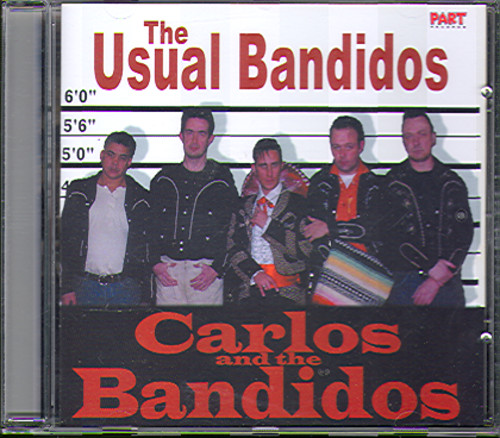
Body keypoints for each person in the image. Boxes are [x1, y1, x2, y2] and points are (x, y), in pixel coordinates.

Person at [382, 110, 473, 307]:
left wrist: (436, 281)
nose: (416, 142)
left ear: (433, 138)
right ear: (403, 141)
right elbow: (387, 236)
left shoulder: (452, 182)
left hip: (447, 283)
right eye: (409, 136)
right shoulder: (391, 183)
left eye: (422, 134)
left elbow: (464, 232)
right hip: (403, 284)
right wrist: (430, 267)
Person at [150, 108, 238, 306]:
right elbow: (149, 226)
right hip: (168, 274)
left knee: (208, 327)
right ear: (181, 136)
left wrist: (217, 268)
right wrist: (155, 263)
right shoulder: (164, 179)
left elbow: (233, 227)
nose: (194, 140)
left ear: (211, 138)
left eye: (201, 133)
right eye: (189, 132)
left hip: (205, 275)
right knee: (169, 325)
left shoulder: (221, 179)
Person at [60, 131, 150, 306]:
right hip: (85, 286)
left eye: (122, 158)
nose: (115, 163)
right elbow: (67, 241)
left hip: (126, 289)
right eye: (111, 155)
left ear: (129, 162)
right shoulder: (79, 192)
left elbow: (146, 248)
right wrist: (66, 287)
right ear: (102, 155)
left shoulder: (141, 198)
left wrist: (145, 295)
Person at [227, 138, 312, 306]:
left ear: (282, 166)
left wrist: (268, 226)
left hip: (289, 293)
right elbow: (232, 246)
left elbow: (306, 249)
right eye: (263, 166)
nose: (269, 172)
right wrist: (255, 273)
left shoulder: (299, 204)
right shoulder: (243, 206)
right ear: (254, 169)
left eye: (274, 165)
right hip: (248, 292)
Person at [304, 115, 384, 258]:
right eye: (337, 147)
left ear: (361, 146)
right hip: (327, 266)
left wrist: (330, 228)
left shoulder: (377, 185)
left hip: (370, 267)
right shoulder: (319, 182)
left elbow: (376, 230)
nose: (342, 154)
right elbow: (312, 229)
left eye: (349, 147)